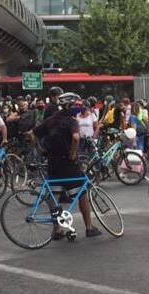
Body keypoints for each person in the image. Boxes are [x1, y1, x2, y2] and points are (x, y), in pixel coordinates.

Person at [32, 93, 101, 238]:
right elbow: (76, 138)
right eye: (76, 105)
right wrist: (72, 153)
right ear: (70, 106)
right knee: (82, 194)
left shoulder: (50, 120)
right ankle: (89, 227)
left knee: (54, 195)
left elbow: (32, 134)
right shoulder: (71, 121)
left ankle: (57, 229)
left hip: (53, 163)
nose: (78, 108)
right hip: (69, 164)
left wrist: (40, 149)